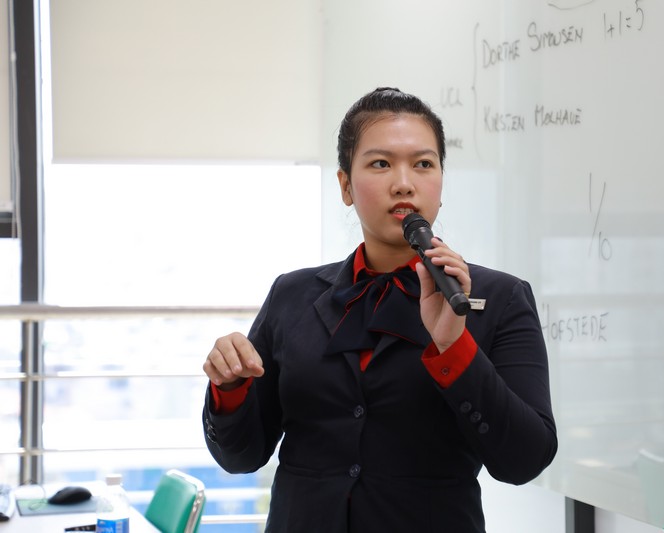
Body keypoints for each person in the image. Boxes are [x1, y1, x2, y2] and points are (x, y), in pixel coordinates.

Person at [201, 87, 557, 533]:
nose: (404, 182)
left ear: (441, 182)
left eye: (423, 164)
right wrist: (230, 388)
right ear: (345, 186)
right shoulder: (292, 295)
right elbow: (241, 456)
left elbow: (525, 460)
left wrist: (453, 346)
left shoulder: (499, 298)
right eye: (380, 163)